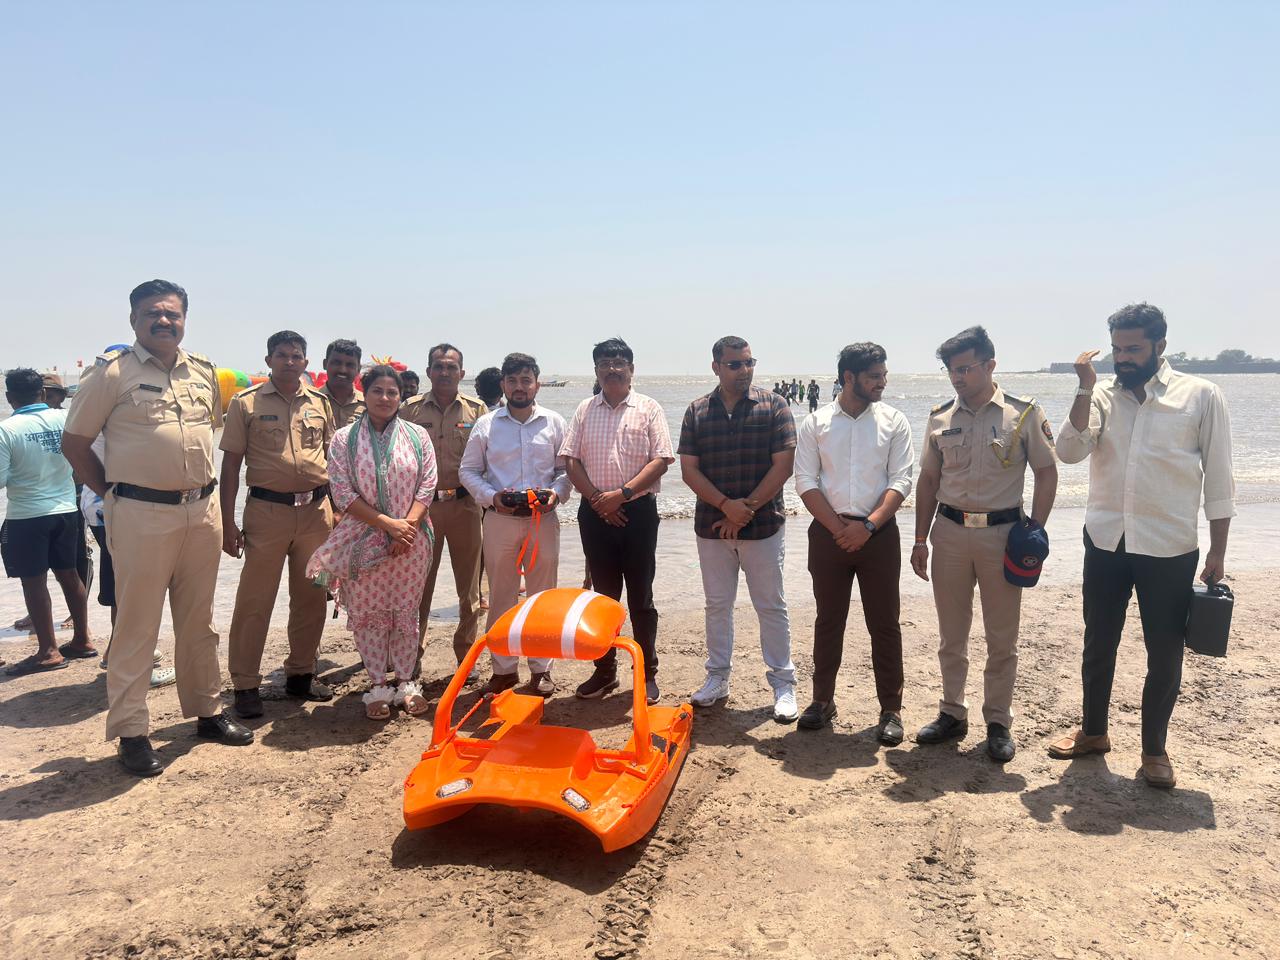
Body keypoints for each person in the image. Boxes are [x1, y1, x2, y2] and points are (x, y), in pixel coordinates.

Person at [62, 279, 252, 777]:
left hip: (201, 512)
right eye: (152, 313)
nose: (163, 321)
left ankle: (208, 712)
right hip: (140, 514)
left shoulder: (204, 371)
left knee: (199, 620)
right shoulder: (111, 373)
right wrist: (113, 494)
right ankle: (131, 731)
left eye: (172, 313)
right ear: (134, 319)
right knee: (137, 625)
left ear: (184, 318)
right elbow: (74, 444)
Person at [1048, 304, 1235, 789]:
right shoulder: (1101, 396)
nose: (1123, 357)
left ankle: (1154, 750)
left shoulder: (1201, 395)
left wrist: (1218, 551)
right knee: (1098, 641)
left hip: (1169, 545)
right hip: (1106, 540)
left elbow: (1219, 479)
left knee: (1165, 651)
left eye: (1133, 348)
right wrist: (1084, 388)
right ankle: (1093, 733)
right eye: (1117, 348)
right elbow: (1068, 451)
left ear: (1160, 346)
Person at [910, 326, 1057, 763]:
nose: (957, 377)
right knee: (951, 634)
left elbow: (1046, 472)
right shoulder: (940, 417)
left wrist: (1036, 527)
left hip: (1002, 537)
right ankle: (952, 713)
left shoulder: (1023, 414)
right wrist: (919, 539)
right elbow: (929, 480)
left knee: (1002, 637)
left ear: (990, 365)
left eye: (965, 368)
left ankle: (998, 722)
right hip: (950, 533)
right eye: (951, 370)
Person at [794, 343, 914, 742]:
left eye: (883, 375)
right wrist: (837, 527)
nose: (882, 382)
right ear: (849, 378)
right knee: (829, 620)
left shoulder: (894, 421)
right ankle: (822, 701)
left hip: (879, 535)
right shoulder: (816, 423)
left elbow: (901, 480)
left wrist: (868, 527)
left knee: (885, 622)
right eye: (874, 376)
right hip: (828, 535)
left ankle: (891, 709)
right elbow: (805, 481)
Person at [678, 336, 799, 722]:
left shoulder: (774, 405)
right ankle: (718, 678)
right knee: (717, 605)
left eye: (749, 363)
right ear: (716, 367)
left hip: (763, 526)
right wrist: (725, 507)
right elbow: (689, 470)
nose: (744, 370)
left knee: (771, 605)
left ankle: (783, 683)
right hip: (712, 527)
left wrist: (743, 510)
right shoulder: (697, 411)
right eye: (735, 364)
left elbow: (783, 466)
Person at [306, 365, 437, 719]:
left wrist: (407, 528)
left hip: (412, 541)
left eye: (392, 392)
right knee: (369, 614)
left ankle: (406, 682)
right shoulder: (344, 439)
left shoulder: (417, 436)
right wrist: (388, 526)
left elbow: (428, 484)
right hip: (363, 539)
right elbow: (342, 492)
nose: (385, 398)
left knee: (405, 611)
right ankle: (377, 684)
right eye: (377, 390)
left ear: (401, 396)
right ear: (364, 394)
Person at [220, 331, 337, 719]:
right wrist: (226, 522)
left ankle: (301, 673)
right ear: (268, 360)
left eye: (296, 355)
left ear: (306, 362)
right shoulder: (246, 403)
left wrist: (338, 515)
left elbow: (334, 461)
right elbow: (230, 466)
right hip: (266, 513)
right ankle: (245, 683)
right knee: (255, 600)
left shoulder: (320, 403)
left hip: (316, 513)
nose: (289, 361)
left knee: (312, 596)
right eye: (282, 355)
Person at [562, 338, 673, 704]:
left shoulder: (649, 408)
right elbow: (570, 460)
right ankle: (604, 670)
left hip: (637, 512)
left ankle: (646, 673)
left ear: (631, 369)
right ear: (596, 371)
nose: (612, 369)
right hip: (595, 514)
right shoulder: (584, 409)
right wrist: (599, 500)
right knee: (603, 598)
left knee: (641, 597)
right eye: (604, 363)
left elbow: (661, 459)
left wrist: (621, 495)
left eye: (618, 362)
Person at [459, 352, 570, 697]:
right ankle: (504, 669)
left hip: (542, 521)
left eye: (526, 380)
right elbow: (468, 471)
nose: (519, 387)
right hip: (500, 521)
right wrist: (493, 497)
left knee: (543, 597)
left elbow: (566, 471)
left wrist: (555, 494)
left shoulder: (554, 422)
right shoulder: (486, 424)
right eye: (513, 381)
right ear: (503, 384)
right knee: (502, 596)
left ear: (537, 384)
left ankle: (542, 669)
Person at [1, 368, 96, 675]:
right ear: (42, 393)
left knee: (34, 581)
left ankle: (48, 651)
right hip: (66, 510)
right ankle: (82, 639)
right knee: (70, 574)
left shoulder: (6, 430)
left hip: (28, 515)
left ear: (9, 397)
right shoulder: (66, 420)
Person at [400, 344, 487, 679]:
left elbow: (489, 458)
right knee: (418, 587)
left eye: (452, 367)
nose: (445, 372)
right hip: (422, 510)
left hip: (465, 507)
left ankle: (466, 655)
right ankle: (412, 654)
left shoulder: (477, 411)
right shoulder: (409, 410)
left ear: (462, 373)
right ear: (429, 372)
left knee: (470, 590)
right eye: (439, 366)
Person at [319, 339, 366, 427]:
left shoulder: (368, 405)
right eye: (337, 363)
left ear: (359, 369)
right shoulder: (310, 401)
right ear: (325, 364)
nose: (342, 370)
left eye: (350, 365)